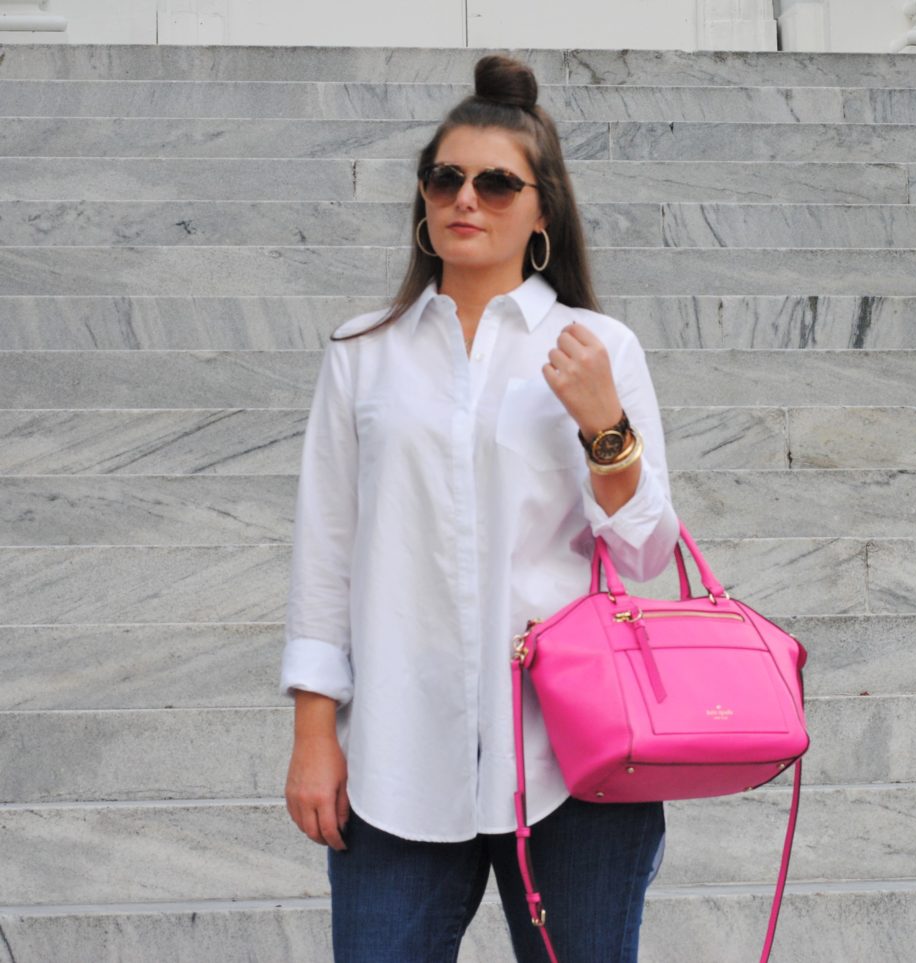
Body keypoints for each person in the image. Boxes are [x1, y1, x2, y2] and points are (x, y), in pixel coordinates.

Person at [280, 54, 680, 963]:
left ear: (543, 212)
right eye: (445, 178)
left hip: (569, 755)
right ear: (423, 199)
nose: (467, 198)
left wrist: (603, 425)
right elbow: (324, 547)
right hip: (396, 752)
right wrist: (314, 734)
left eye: (498, 183)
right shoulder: (362, 352)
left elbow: (650, 548)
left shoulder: (598, 346)